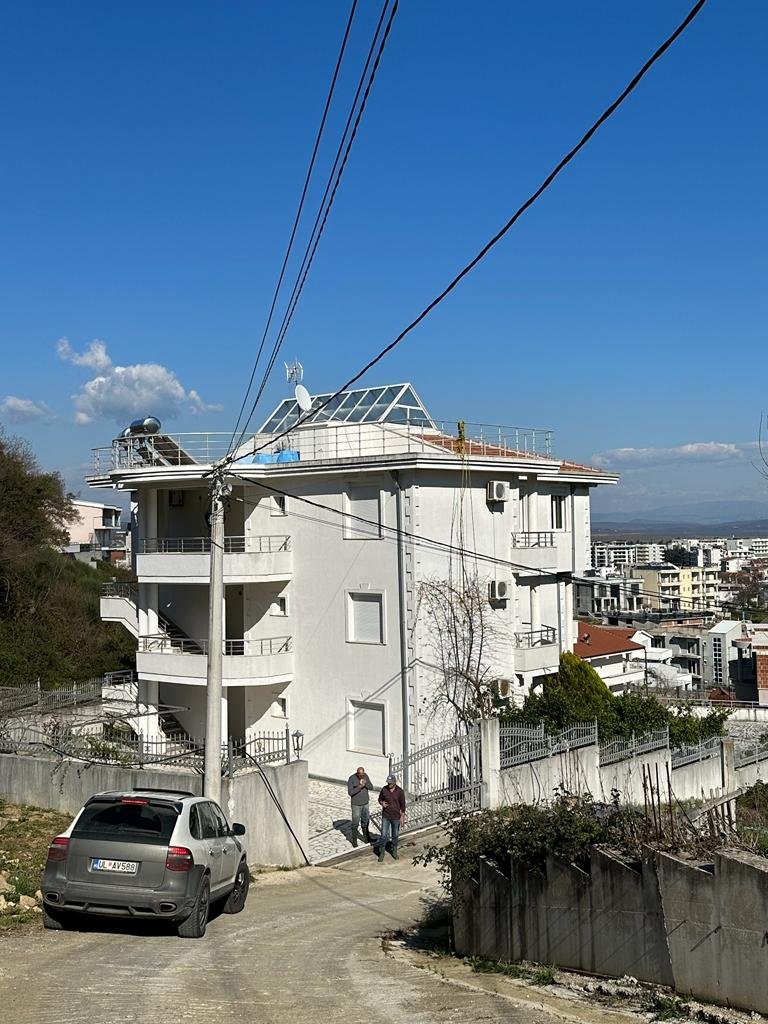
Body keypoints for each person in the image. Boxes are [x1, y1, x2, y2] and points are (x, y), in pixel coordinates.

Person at [376, 774, 406, 862]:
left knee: (395, 835)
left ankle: (394, 851)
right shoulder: (384, 789)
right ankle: (382, 852)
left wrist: (402, 817)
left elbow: (403, 805)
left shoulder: (400, 791)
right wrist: (382, 803)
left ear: (394, 782)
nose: (389, 784)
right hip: (386, 816)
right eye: (388, 783)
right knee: (383, 835)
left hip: (396, 817)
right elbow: (380, 799)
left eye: (391, 783)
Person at [347, 765, 373, 847]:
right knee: (355, 823)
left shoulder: (366, 776)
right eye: (360, 774)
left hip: (365, 803)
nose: (362, 776)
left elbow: (371, 787)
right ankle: (354, 841)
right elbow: (350, 792)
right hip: (356, 805)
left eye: (363, 774)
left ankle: (366, 838)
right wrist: (360, 787)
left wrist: (365, 784)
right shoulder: (352, 778)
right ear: (357, 773)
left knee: (365, 821)